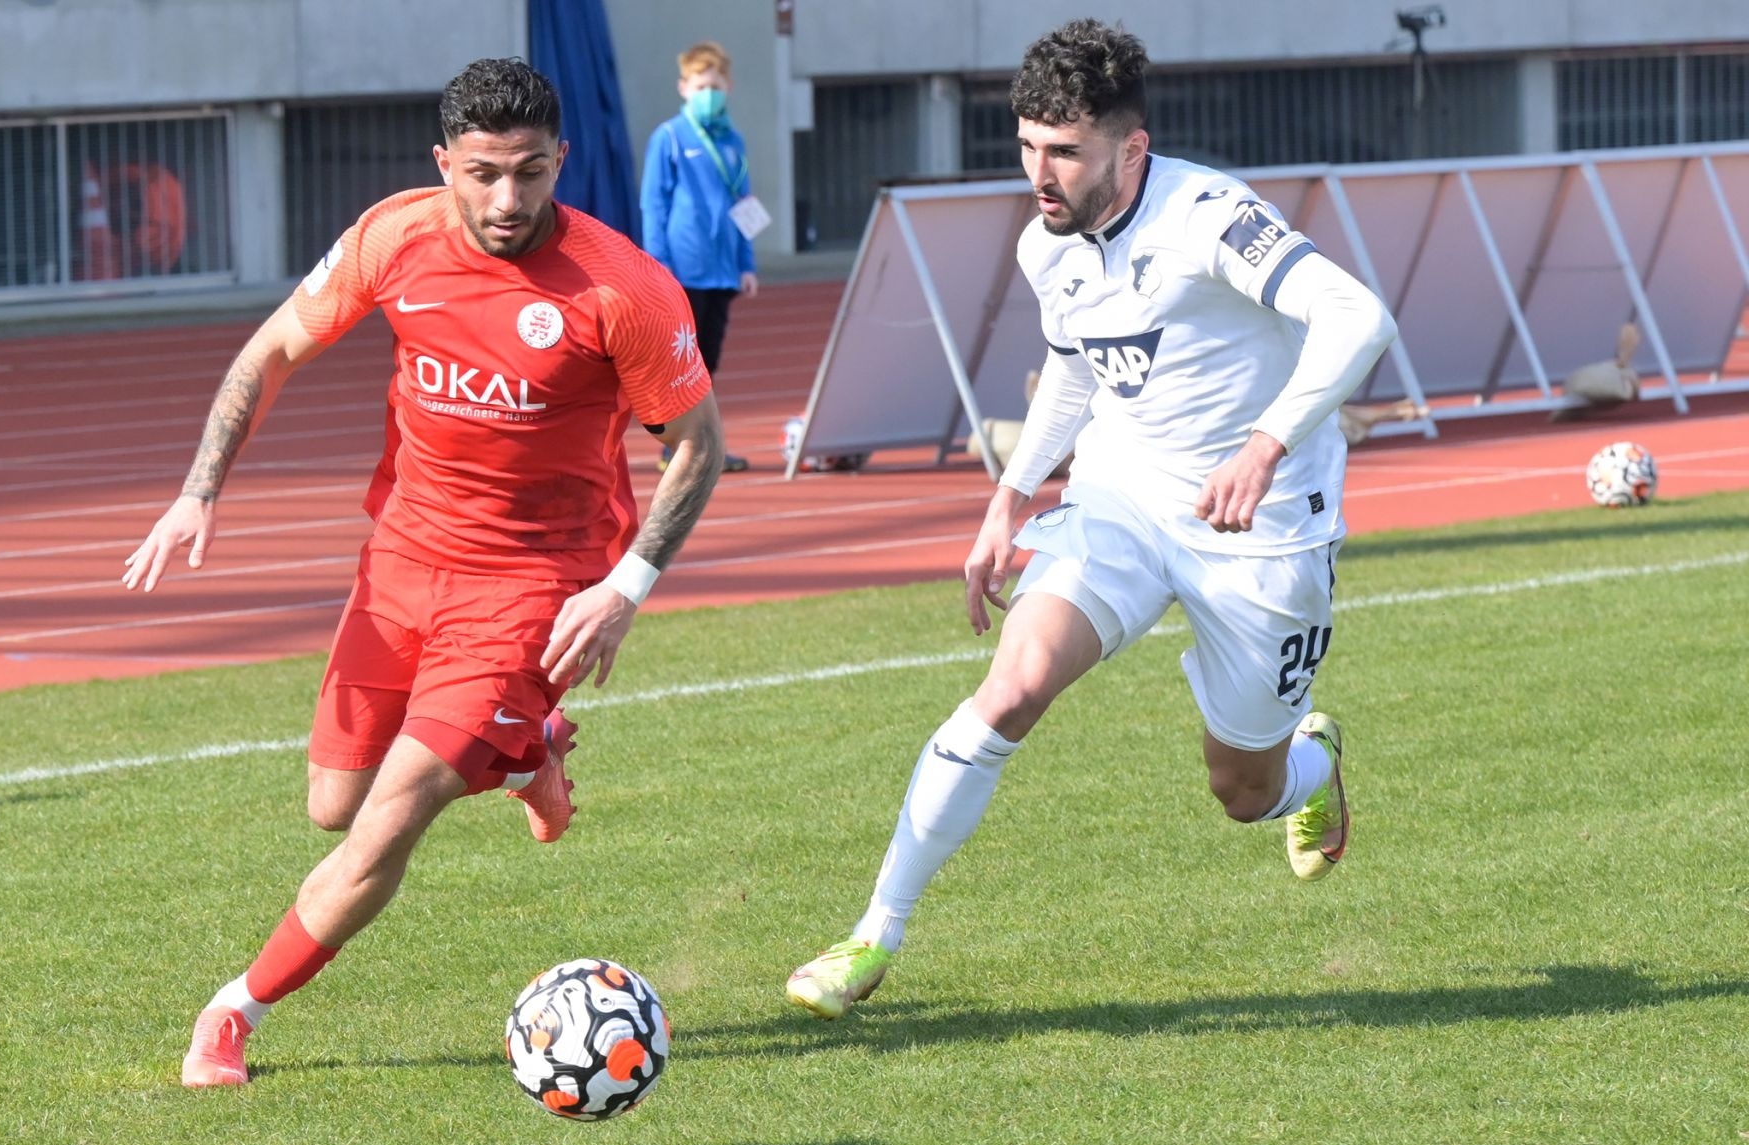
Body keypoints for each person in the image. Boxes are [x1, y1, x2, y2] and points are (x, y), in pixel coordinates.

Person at [121, 58, 725, 1086]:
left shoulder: (620, 288)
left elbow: (700, 444)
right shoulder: (393, 236)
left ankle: (235, 1010)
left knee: (390, 816)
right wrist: (198, 489)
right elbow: (270, 351)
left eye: (531, 172)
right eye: (484, 173)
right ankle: (528, 746)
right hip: (401, 561)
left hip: (536, 585)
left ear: (559, 161)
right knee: (332, 802)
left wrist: (624, 586)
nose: (507, 199)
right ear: (444, 162)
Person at [786, 19, 1397, 1020]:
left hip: (1262, 525)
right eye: (1027, 145)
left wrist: (1264, 444)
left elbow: (1358, 318)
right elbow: (1077, 366)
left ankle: (1312, 766)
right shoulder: (1048, 245)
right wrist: (1012, 496)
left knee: (1240, 789)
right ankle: (872, 934)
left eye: (1064, 151)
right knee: (1014, 685)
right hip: (1119, 499)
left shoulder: (1211, 217)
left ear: (1131, 147)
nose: (1040, 172)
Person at [640, 39, 764, 473]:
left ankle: (702, 444)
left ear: (727, 86)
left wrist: (747, 263)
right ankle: (675, 447)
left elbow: (744, 203)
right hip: (683, 269)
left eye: (715, 85)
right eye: (700, 85)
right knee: (681, 362)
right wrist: (658, 265)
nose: (708, 92)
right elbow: (653, 204)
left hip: (723, 269)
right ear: (683, 87)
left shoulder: (734, 141)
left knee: (707, 362)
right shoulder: (670, 138)